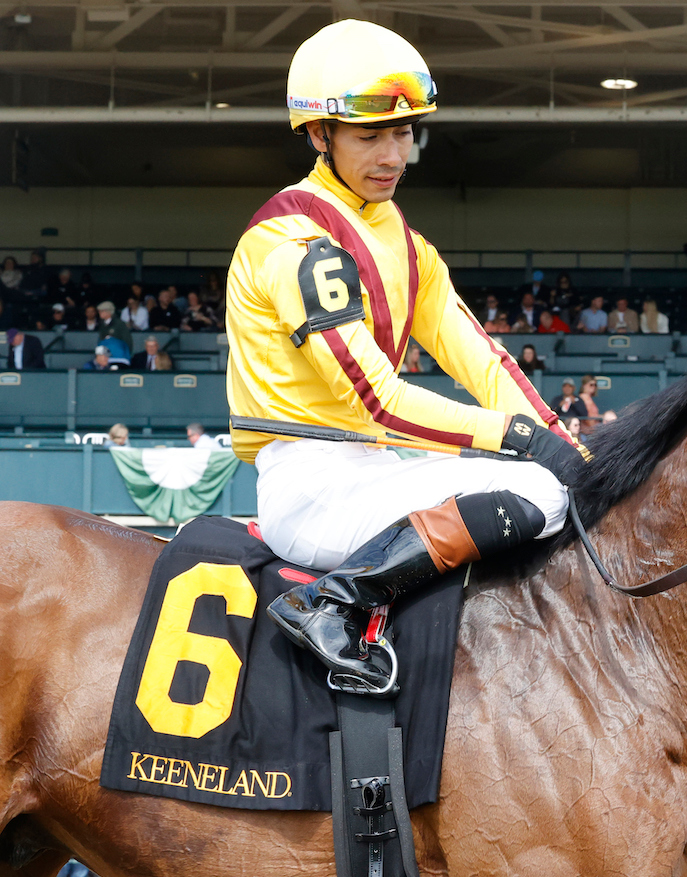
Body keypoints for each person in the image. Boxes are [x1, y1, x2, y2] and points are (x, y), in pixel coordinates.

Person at [224, 19, 587, 693]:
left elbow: (482, 361)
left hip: (369, 472)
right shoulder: (294, 239)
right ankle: (335, 601)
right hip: (311, 486)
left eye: (404, 132)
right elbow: (378, 399)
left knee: (557, 478)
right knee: (538, 488)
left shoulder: (406, 243)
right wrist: (523, 439)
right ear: (318, 134)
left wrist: (572, 447)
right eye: (371, 135)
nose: (393, 152)